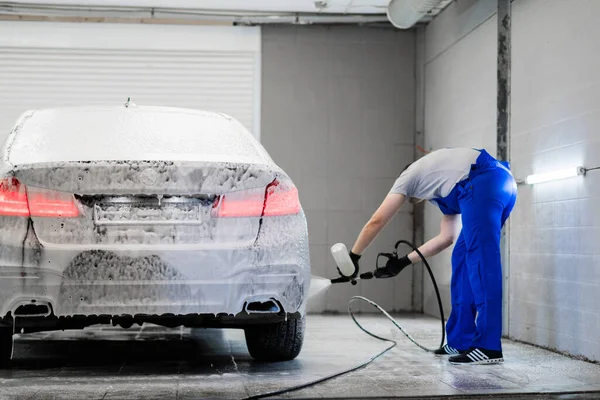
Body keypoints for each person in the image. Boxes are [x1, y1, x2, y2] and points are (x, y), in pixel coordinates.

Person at [347, 147, 517, 365]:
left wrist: (354, 256)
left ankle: (488, 346)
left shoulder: (408, 177)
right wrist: (403, 262)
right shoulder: (440, 184)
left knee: (482, 262)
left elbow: (377, 221)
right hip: (495, 184)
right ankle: (460, 340)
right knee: (463, 257)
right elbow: (446, 238)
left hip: (484, 182)